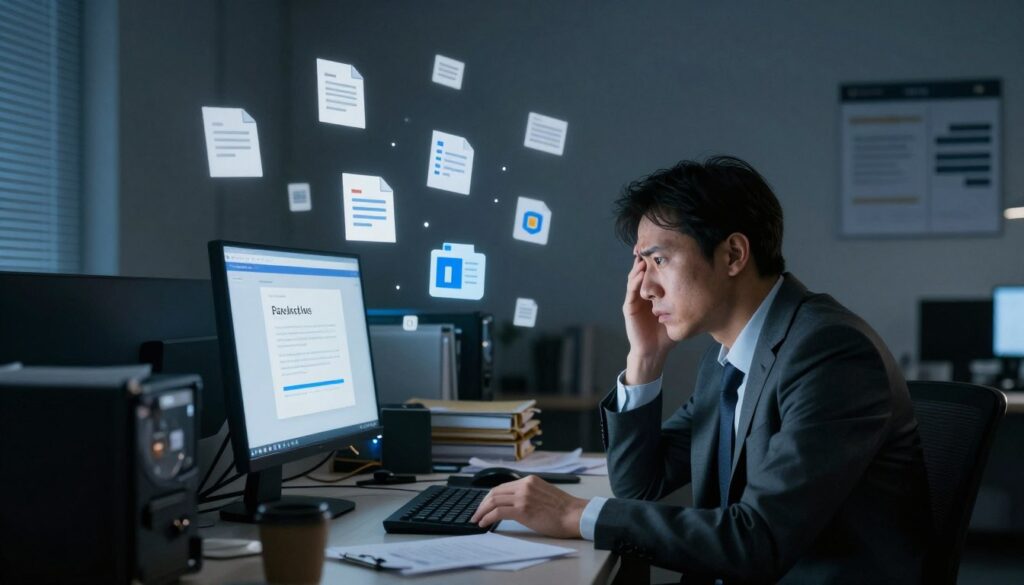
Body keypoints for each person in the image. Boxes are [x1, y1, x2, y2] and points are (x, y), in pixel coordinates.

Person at [471, 155, 932, 583]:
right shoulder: (727, 356)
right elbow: (640, 485)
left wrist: (575, 514)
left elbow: (759, 540)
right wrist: (645, 361)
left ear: (733, 255)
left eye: (660, 260)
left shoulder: (828, 352)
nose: (646, 287)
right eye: (642, 264)